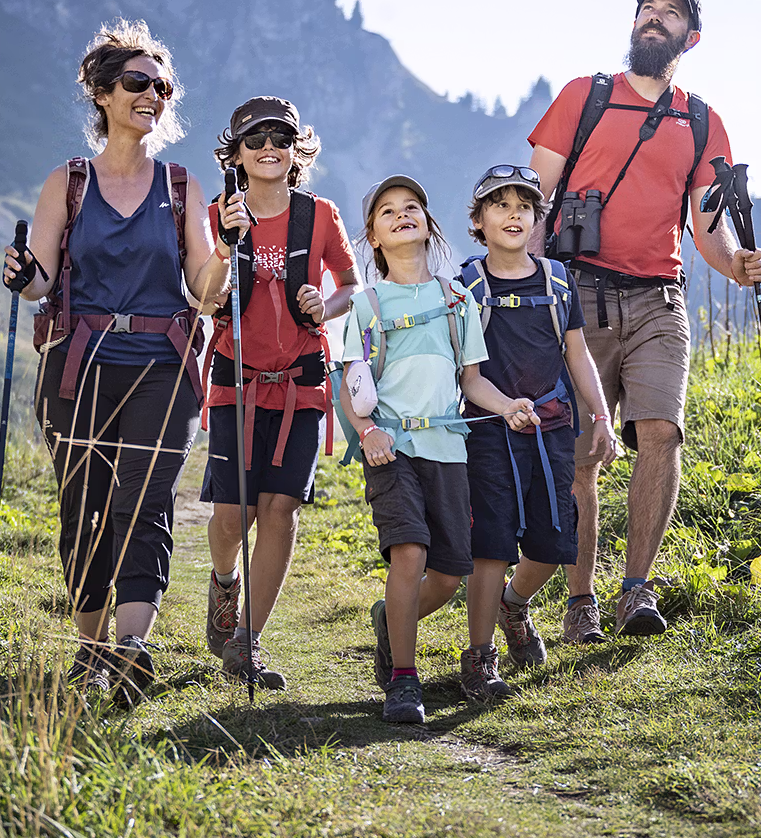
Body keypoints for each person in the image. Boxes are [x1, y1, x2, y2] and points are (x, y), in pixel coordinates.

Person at [526, 0, 761, 642]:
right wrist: (523, 287)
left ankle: (637, 590)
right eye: (646, 10)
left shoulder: (700, 120)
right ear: (634, 25)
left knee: (660, 433)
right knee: (581, 455)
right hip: (578, 295)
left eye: (669, 13)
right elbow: (530, 200)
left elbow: (708, 225)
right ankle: (581, 602)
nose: (653, 19)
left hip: (660, 299)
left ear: (689, 37)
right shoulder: (585, 97)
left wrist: (735, 264)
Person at [3, 20, 237, 700]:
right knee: (85, 504)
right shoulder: (68, 184)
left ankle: (133, 648)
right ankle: (92, 649)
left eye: (162, 87)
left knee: (145, 500)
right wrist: (23, 273)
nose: (153, 96)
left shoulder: (184, 186)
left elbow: (203, 293)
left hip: (163, 371)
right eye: (138, 83)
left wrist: (223, 251)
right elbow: (42, 280)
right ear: (103, 94)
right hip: (77, 367)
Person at [338, 175, 537, 727]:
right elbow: (351, 382)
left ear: (429, 225)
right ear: (373, 237)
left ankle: (389, 619)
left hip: (448, 447)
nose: (403, 215)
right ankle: (404, 679)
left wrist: (507, 406)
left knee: (448, 575)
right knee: (409, 554)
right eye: (387, 212)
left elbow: (472, 380)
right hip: (391, 449)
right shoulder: (367, 304)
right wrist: (367, 431)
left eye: (413, 207)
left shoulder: (457, 301)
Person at [202, 97, 359, 688]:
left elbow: (348, 284)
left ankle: (247, 642)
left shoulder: (318, 215)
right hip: (234, 381)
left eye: (282, 138)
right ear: (236, 153)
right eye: (256, 139)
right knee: (232, 512)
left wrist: (329, 304)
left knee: (280, 509)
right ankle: (223, 583)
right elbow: (201, 294)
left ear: (297, 151)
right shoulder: (217, 214)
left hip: (302, 381)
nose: (270, 147)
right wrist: (224, 246)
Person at [457, 166, 618, 699]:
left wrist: (601, 415)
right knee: (492, 547)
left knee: (553, 543)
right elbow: (468, 376)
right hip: (489, 432)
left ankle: (513, 605)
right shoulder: (468, 285)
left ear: (537, 219)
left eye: (523, 206)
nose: (513, 215)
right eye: (499, 206)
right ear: (478, 221)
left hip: (552, 430)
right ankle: (480, 658)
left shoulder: (555, 279)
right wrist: (506, 408)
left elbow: (578, 354)